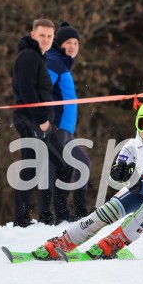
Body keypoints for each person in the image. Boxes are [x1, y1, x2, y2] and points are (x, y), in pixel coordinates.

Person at [32, 99, 143, 260]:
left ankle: (115, 242)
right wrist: (118, 171)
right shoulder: (132, 145)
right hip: (142, 186)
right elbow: (118, 170)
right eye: (142, 124)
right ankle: (64, 242)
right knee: (109, 209)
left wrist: (138, 185)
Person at [44, 21, 93, 223]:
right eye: (68, 42)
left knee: (82, 163)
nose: (73, 46)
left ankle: (79, 212)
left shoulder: (63, 63)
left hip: (66, 129)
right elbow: (42, 88)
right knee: (67, 166)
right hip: (56, 127)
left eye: (76, 43)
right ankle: (62, 215)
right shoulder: (54, 61)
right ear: (59, 44)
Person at [12, 18, 55, 227]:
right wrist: (41, 119)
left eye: (49, 36)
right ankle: (21, 219)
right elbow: (27, 90)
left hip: (34, 118)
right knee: (30, 166)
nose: (45, 39)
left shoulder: (38, 57)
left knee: (37, 165)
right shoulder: (29, 57)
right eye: (42, 35)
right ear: (33, 35)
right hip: (29, 119)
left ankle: (29, 216)